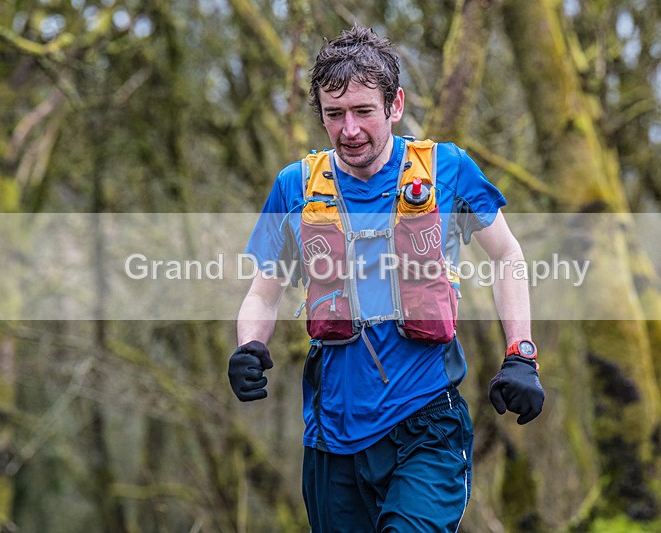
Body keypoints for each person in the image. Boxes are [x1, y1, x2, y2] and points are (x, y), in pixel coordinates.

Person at [228, 26, 544, 532]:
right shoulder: (295, 187)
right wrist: (248, 347)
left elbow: (507, 254)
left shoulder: (448, 169)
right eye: (335, 115)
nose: (349, 129)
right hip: (331, 436)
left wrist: (521, 353)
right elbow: (263, 294)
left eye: (362, 111)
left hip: (425, 424)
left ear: (394, 105)